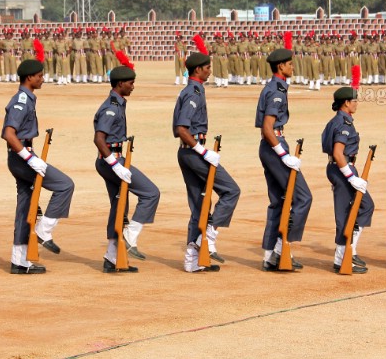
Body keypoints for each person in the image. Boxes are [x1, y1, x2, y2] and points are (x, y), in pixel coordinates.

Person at [3, 59, 76, 274]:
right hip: (22, 157)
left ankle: (19, 260)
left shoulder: (28, 98)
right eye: (40, 76)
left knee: (25, 207)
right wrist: (29, 158)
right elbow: (9, 134)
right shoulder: (21, 100)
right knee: (64, 185)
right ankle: (44, 231)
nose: (43, 79)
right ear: (29, 78)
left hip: (21, 155)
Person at [173, 50, 241, 273]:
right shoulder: (194, 92)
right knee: (231, 190)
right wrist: (203, 151)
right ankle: (208, 235)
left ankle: (193, 259)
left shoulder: (191, 89)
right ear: (198, 70)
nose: (210, 71)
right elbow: (181, 129)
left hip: (188, 152)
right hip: (194, 153)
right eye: (207, 68)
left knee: (199, 206)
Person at [93, 65, 160, 272]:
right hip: (112, 160)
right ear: (120, 83)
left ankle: (111, 257)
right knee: (150, 193)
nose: (133, 87)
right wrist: (114, 164)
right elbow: (99, 139)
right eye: (131, 83)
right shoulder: (111, 107)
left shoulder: (118, 103)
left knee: (119, 206)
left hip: (112, 159)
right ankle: (130, 237)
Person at [255, 47, 312, 271]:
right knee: (303, 197)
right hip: (274, 146)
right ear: (281, 66)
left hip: (269, 147)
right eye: (290, 64)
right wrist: (284, 155)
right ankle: (281, 248)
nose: (292, 66)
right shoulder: (277, 91)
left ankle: (269, 255)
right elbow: (268, 128)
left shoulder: (273, 87)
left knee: (279, 201)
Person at [322, 85, 373, 273]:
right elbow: (338, 152)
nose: (357, 104)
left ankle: (347, 251)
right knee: (346, 213)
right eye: (354, 101)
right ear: (346, 103)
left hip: (340, 168)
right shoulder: (343, 123)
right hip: (343, 168)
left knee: (363, 206)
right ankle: (343, 256)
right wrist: (351, 177)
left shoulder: (336, 121)